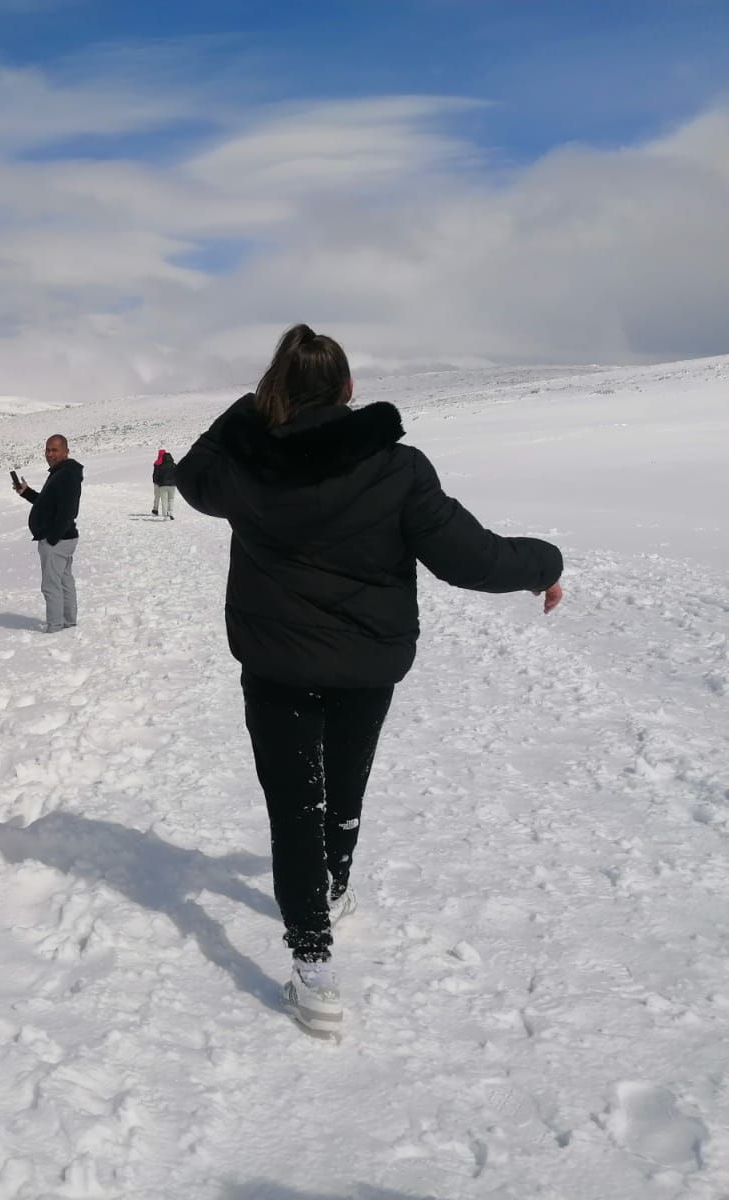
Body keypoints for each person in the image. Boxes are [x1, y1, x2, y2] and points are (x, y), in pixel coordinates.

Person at [175, 324, 563, 1040]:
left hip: (277, 667)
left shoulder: (244, 471)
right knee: (343, 787)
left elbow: (192, 472)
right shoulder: (397, 468)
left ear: (274, 395)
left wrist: (247, 411)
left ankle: (314, 971)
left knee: (294, 809)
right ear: (351, 391)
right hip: (364, 667)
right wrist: (545, 563)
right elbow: (470, 557)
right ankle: (334, 887)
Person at [12, 434, 83, 633]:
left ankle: (55, 627)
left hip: (57, 540)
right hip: (64, 538)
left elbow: (69, 511)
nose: (50, 454)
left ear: (66, 451)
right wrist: (26, 492)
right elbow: (47, 504)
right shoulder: (61, 472)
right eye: (47, 450)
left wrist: (52, 538)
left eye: (55, 450)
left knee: (51, 585)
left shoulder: (67, 474)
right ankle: (68, 623)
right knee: (64, 580)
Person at [152, 448, 178, 519]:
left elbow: (156, 475)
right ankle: (170, 513)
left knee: (162, 500)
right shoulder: (174, 465)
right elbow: (177, 474)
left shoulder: (159, 464)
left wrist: (157, 482)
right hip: (172, 485)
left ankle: (159, 511)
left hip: (161, 485)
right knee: (171, 499)